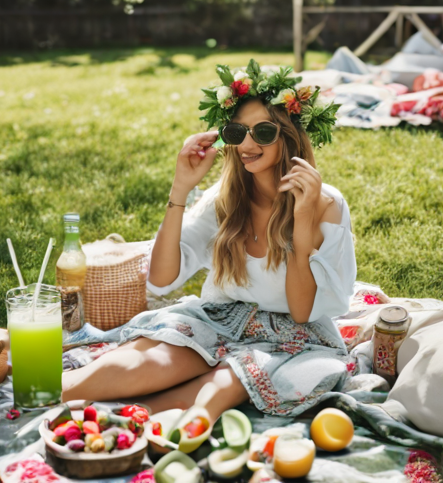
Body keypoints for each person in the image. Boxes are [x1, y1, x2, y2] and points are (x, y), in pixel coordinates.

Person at [62, 60, 356, 424]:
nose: (247, 144)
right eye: (237, 132)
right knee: (137, 367)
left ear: (289, 136)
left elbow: (300, 310)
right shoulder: (226, 197)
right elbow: (161, 279)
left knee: (210, 393)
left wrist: (302, 219)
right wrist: (180, 189)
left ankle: (113, 428)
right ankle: (38, 392)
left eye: (262, 132)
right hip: (221, 321)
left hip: (293, 337)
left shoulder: (325, 204)